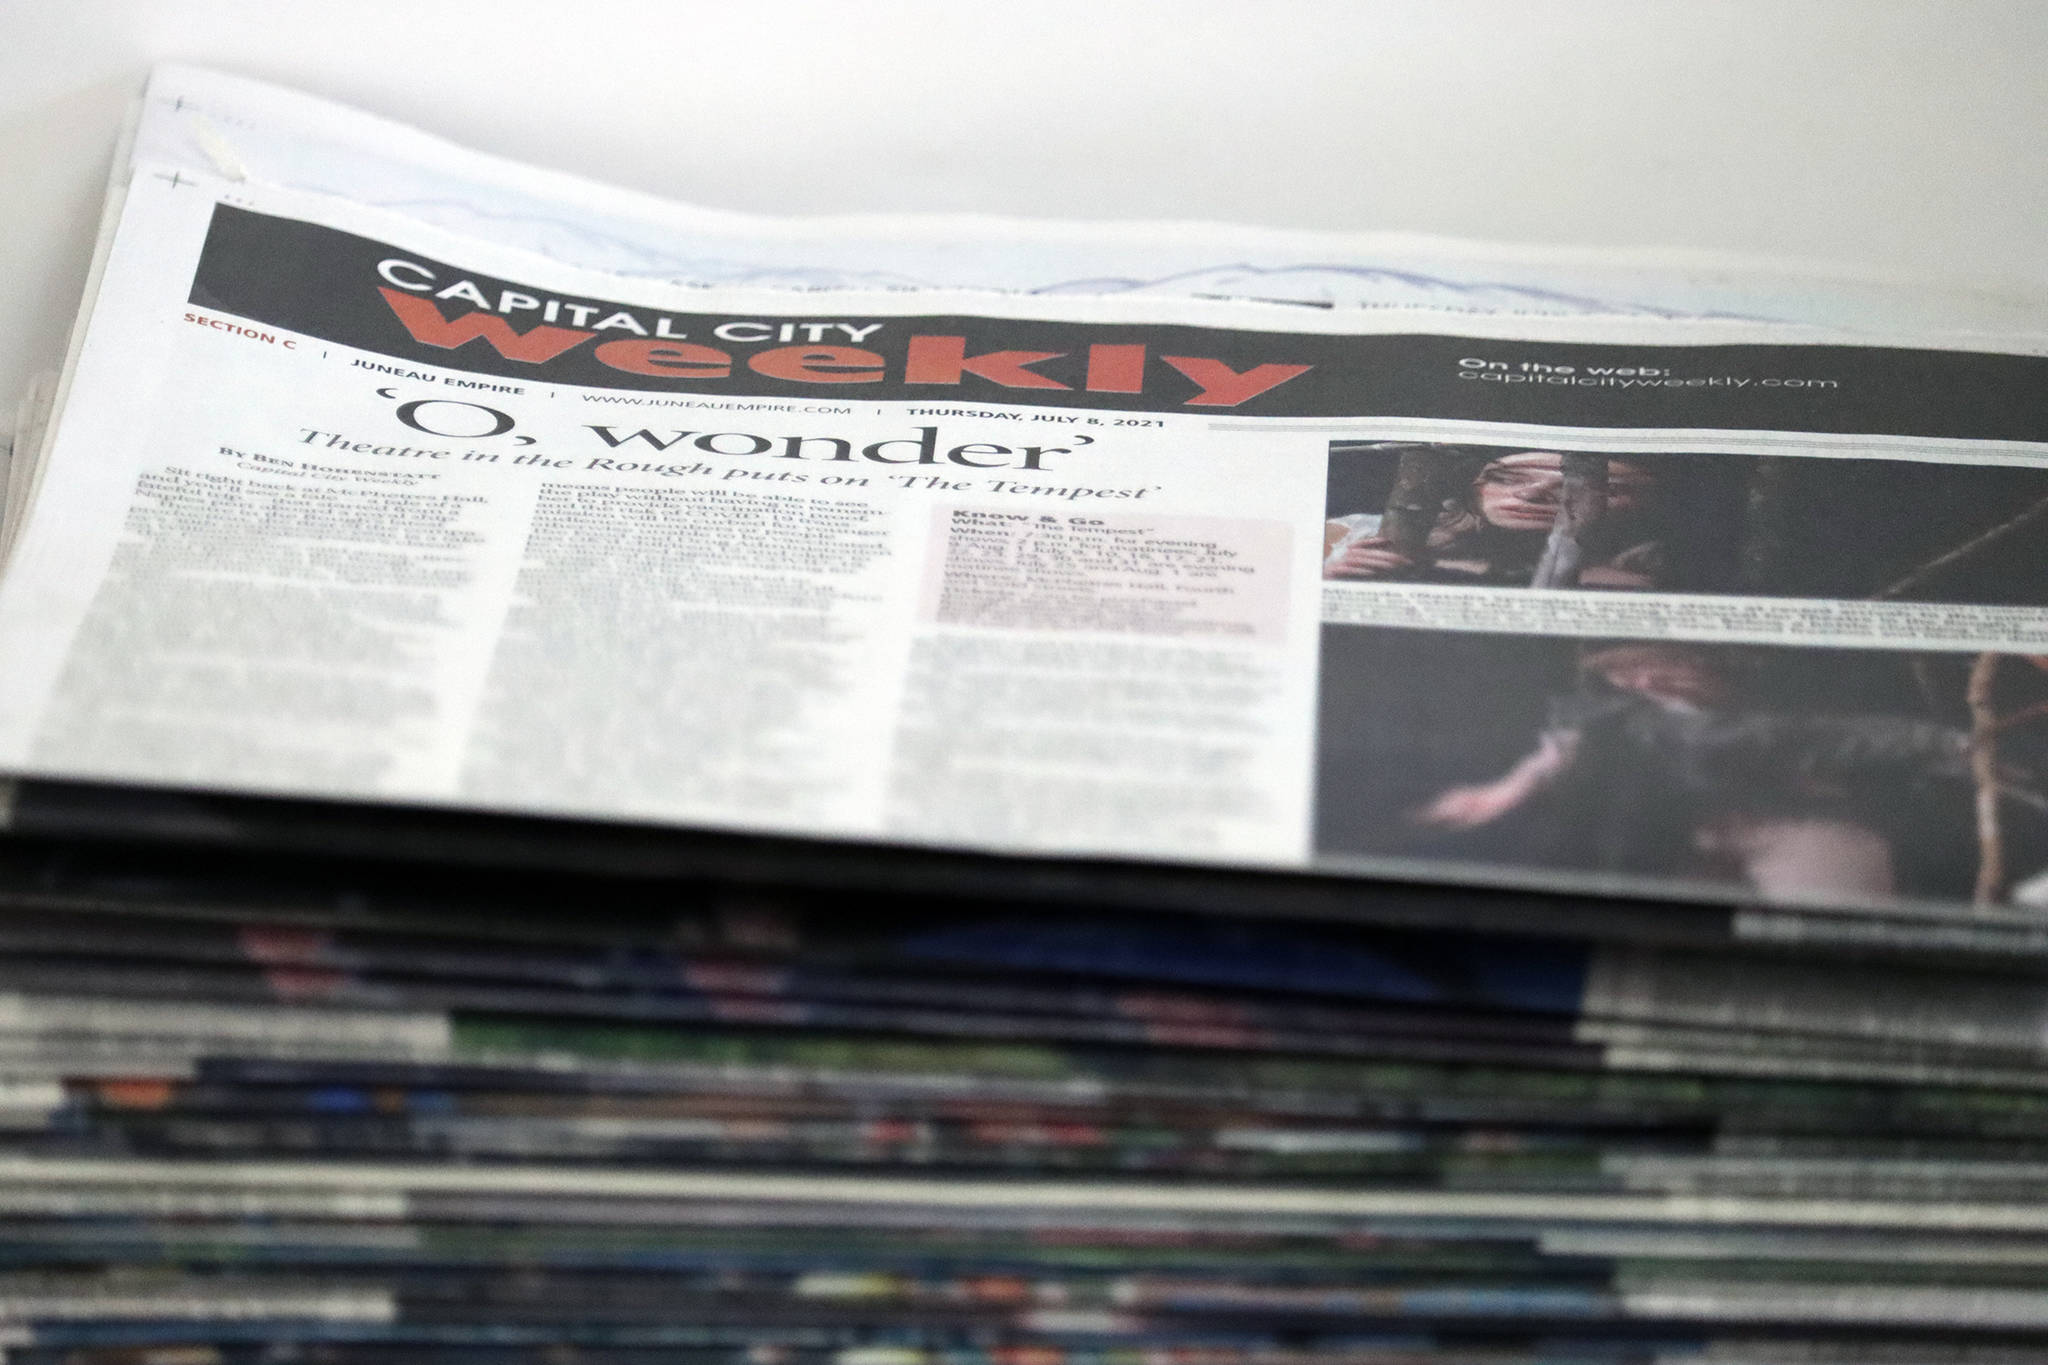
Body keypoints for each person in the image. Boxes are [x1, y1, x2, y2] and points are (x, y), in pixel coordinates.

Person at [1409, 643, 2032, 903]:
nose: (1645, 681)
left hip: (1789, 827)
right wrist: (1510, 786)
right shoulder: (1612, 719)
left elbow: (1851, 737)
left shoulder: (1782, 701)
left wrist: (1963, 753)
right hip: (1679, 844)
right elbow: (1562, 748)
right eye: (1625, 674)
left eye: (1658, 665)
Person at [1324, 450, 1663, 588]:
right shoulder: (1354, 533)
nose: (1530, 494)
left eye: (1604, 489)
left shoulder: (1645, 567)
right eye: (1505, 478)